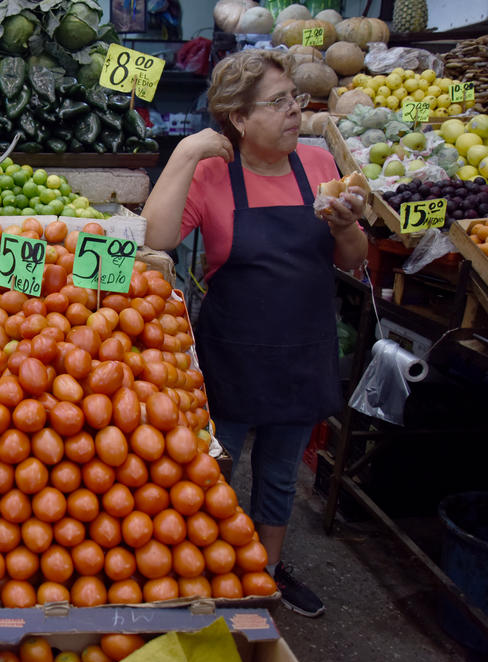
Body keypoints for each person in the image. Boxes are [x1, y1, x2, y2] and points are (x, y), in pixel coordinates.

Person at [142, 49, 367, 617]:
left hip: (304, 347)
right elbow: (157, 238)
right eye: (278, 102)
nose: (295, 110)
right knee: (210, 466)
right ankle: (207, 568)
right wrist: (186, 151)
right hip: (232, 353)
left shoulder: (318, 163)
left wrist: (346, 227)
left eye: (295, 98)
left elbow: (354, 259)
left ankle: (266, 572)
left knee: (280, 472)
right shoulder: (214, 173)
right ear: (238, 118)